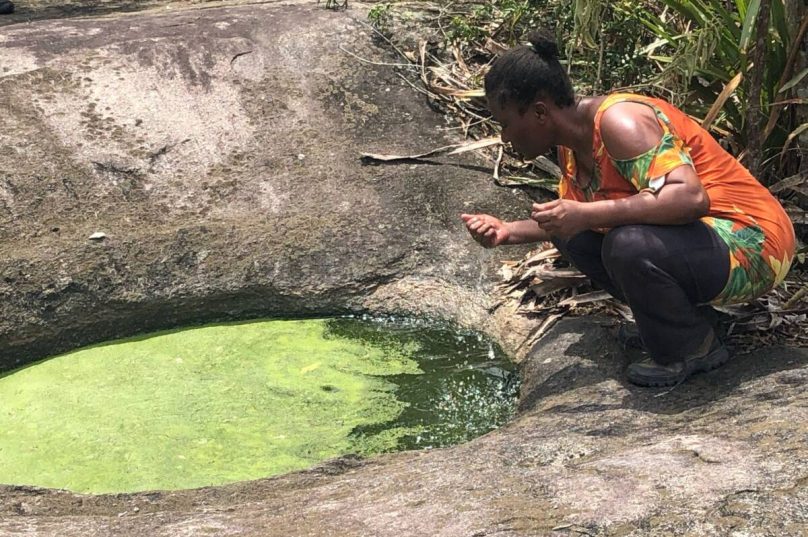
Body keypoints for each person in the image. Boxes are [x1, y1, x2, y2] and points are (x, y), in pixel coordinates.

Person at [462, 31, 796, 387]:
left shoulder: (620, 123)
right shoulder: (570, 147)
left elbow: (689, 199)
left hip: (755, 246)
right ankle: (682, 321)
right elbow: (572, 217)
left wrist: (583, 215)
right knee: (573, 234)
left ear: (540, 112)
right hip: (704, 248)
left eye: (506, 122)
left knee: (627, 245)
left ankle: (690, 348)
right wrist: (507, 231)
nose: (505, 136)